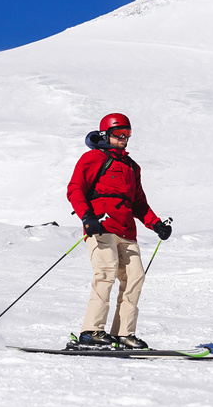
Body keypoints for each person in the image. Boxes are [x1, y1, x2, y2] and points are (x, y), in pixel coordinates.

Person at [67, 113, 171, 349]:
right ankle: (91, 331)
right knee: (105, 273)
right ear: (106, 135)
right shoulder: (93, 158)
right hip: (101, 226)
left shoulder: (132, 167)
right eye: (119, 135)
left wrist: (156, 224)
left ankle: (124, 334)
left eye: (128, 135)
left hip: (126, 230)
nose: (124, 139)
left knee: (135, 277)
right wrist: (87, 216)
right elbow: (75, 189)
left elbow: (139, 204)